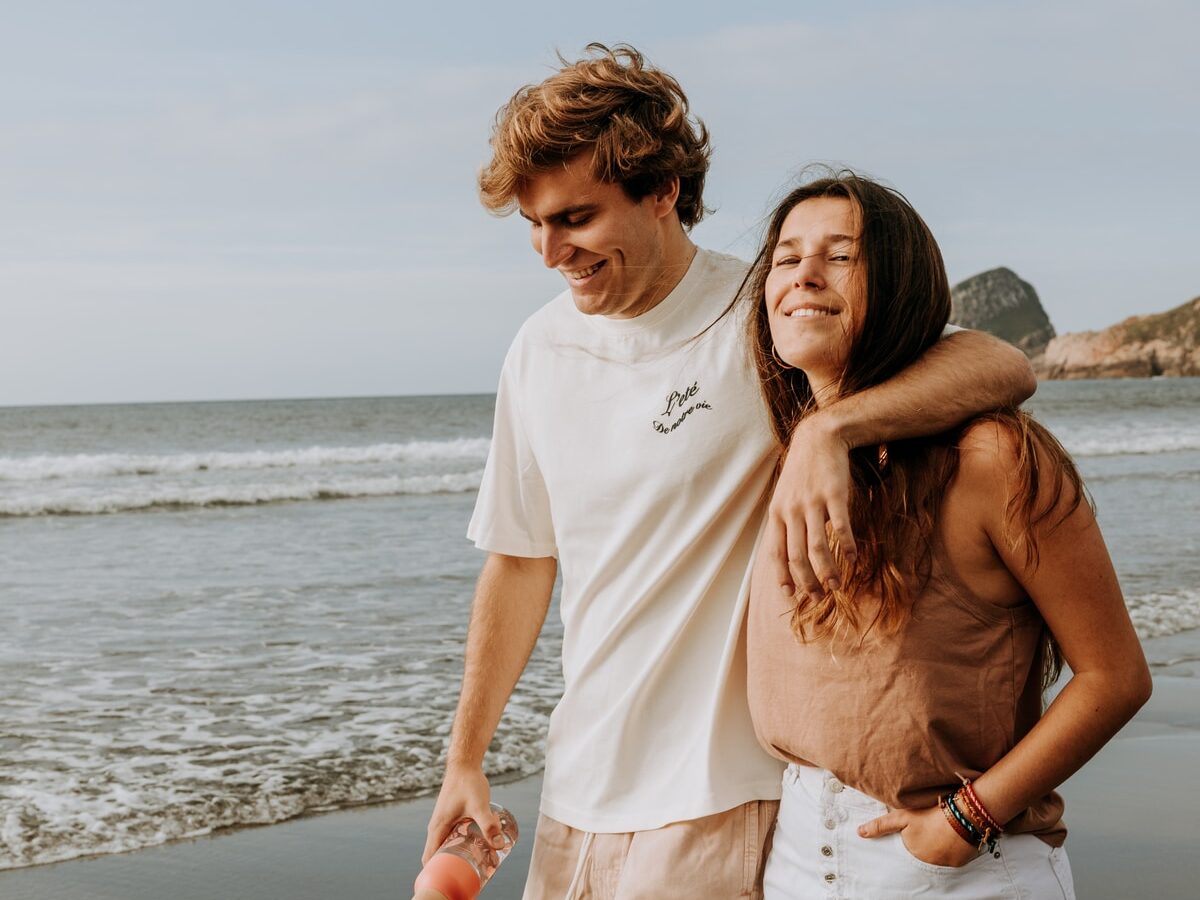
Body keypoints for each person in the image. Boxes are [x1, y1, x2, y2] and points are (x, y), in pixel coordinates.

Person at [422, 45, 1037, 898]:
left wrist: (830, 431)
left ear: (662, 191)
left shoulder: (765, 314)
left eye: (576, 218)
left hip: (719, 793)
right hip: (578, 788)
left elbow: (997, 363)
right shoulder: (538, 349)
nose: (549, 250)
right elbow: (522, 561)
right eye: (535, 224)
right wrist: (466, 759)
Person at [744, 172, 1152, 898]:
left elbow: (1115, 678)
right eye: (785, 257)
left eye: (840, 256)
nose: (804, 273)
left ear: (898, 287)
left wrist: (964, 822)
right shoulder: (782, 456)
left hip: (954, 866)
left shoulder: (991, 457)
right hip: (800, 855)